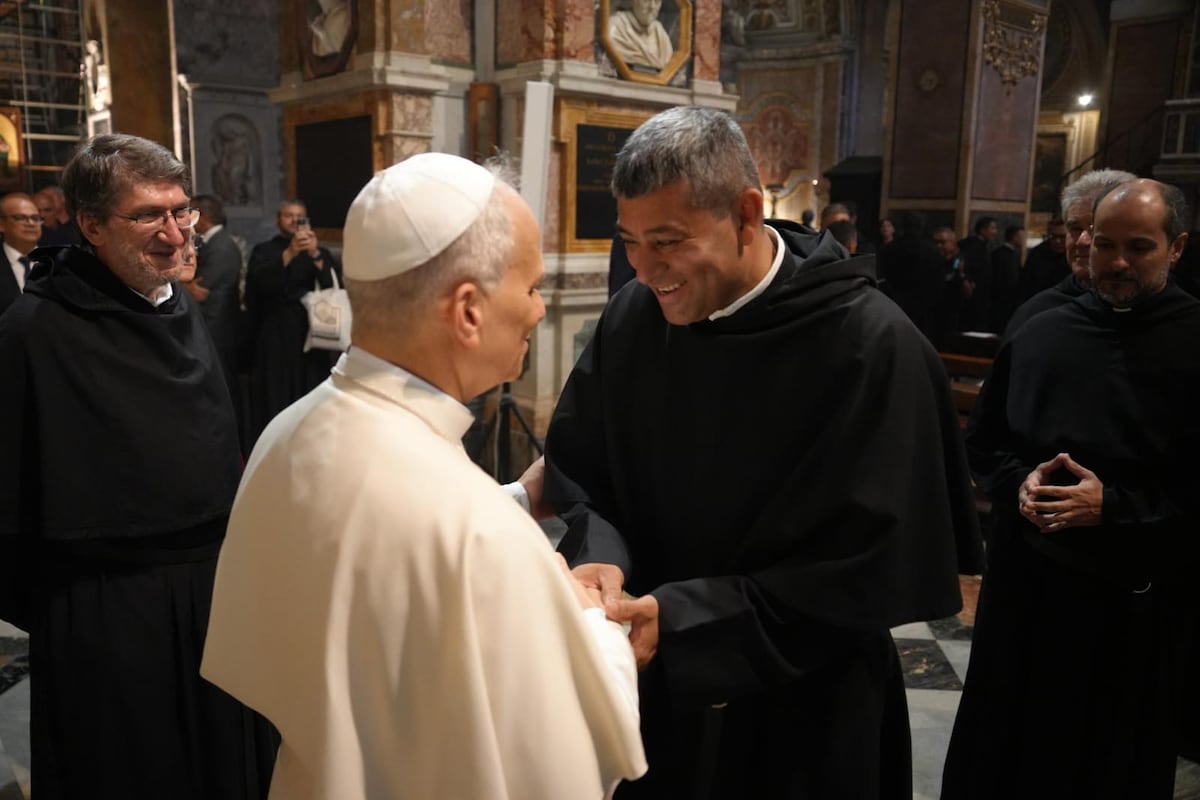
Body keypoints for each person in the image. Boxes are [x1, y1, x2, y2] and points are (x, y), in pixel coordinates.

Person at [544, 106, 982, 799]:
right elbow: (584, 467)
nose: (645, 269)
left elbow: (870, 565)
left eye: (668, 241)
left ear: (746, 214)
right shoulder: (634, 319)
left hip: (805, 708)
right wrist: (601, 555)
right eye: (629, 242)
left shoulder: (872, 347)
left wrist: (688, 618)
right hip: (657, 691)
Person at [202, 152, 647, 799]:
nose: (538, 312)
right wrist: (593, 626)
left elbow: (371, 554)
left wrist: (517, 497)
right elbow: (562, 768)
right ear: (468, 310)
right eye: (530, 288)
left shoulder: (286, 432)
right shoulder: (481, 535)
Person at [0, 133, 275, 800]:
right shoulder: (33, 331)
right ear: (91, 225)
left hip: (214, 591)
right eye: (149, 215)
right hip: (106, 610)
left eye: (182, 211)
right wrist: (66, 615)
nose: (176, 234)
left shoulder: (179, 307)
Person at [942, 179, 1200, 800]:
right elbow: (986, 445)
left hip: (1132, 606)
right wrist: (1021, 482)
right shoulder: (1042, 331)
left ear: (1176, 247)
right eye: (1104, 244)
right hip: (1026, 593)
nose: (1117, 262)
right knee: (1007, 752)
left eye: (1139, 247)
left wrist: (1110, 506)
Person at [244, 199, 341, 447]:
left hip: (311, 335)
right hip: (274, 333)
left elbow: (332, 289)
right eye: (289, 215)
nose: (295, 220)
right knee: (275, 394)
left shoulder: (318, 252)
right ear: (278, 221)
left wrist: (315, 255)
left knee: (310, 393)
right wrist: (290, 253)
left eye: (300, 216)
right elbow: (259, 285)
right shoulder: (264, 250)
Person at [1005, 169, 1136, 337]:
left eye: (1096, 228)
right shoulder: (1035, 315)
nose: (1083, 241)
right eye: (1075, 229)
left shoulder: (1167, 316)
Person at [183, 194, 244, 400]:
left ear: (203, 217)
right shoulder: (214, 243)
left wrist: (183, 285)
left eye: (190, 213)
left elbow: (200, 289)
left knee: (221, 386)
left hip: (217, 326)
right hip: (213, 326)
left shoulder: (221, 246)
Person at [0, 192, 42, 315]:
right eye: (20, 217)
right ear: (1, 224)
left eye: (35, 218)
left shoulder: (59, 263)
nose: (30, 223)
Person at [608, 0, 673, 70]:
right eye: (646, 1)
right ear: (633, 2)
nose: (652, 7)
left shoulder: (660, 32)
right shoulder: (616, 25)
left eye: (657, 1)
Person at [1018, 216, 1069, 300]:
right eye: (1053, 236)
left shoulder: (1075, 255)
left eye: (1062, 237)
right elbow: (1025, 286)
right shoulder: (1037, 254)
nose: (1057, 241)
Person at [988, 224, 1024, 333]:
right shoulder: (1005, 255)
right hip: (1003, 302)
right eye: (1022, 236)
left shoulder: (1006, 254)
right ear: (1014, 237)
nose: (1023, 240)